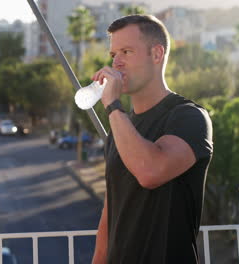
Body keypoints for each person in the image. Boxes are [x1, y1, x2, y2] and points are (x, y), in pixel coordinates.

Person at [91, 15, 213, 263]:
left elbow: (151, 172)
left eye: (126, 51)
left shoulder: (189, 117)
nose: (116, 63)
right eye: (113, 54)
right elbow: (110, 211)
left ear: (157, 55)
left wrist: (113, 106)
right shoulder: (120, 127)